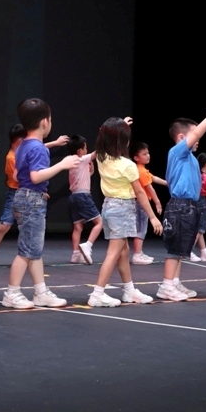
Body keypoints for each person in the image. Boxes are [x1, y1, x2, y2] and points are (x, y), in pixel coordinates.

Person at [1, 98, 80, 309]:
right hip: (31, 200)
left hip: (23, 196)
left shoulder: (23, 146)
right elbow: (35, 176)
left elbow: (18, 175)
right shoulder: (38, 149)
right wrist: (62, 164)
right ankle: (12, 293)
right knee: (27, 251)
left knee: (33, 249)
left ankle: (41, 292)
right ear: (45, 122)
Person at [87, 118, 161, 307]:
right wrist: (153, 217)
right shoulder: (127, 165)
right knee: (113, 253)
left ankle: (129, 290)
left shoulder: (101, 157)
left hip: (109, 207)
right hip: (122, 208)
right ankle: (97, 294)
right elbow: (140, 193)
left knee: (123, 251)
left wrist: (119, 124)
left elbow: (103, 132)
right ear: (122, 141)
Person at [159, 101, 206, 301]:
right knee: (174, 249)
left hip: (189, 206)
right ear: (181, 137)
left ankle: (174, 282)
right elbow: (195, 134)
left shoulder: (191, 159)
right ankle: (166, 286)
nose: (198, 140)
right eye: (195, 136)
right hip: (180, 205)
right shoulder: (177, 151)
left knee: (181, 249)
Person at [0, 126, 67, 266]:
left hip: (25, 192)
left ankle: (28, 257)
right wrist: (38, 189)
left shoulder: (22, 150)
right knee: (4, 225)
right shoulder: (12, 157)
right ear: (20, 140)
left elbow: (38, 148)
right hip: (17, 192)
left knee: (26, 228)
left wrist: (55, 143)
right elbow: (20, 177)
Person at [129, 141, 167, 265]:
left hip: (139, 203)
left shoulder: (142, 170)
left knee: (141, 227)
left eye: (148, 153)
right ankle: (137, 255)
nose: (148, 155)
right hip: (141, 204)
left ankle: (139, 252)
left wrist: (168, 183)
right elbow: (150, 188)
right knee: (141, 228)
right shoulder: (140, 171)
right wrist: (157, 202)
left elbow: (153, 178)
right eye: (144, 154)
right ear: (136, 157)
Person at [67, 134, 103, 265]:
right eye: (85, 148)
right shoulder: (82, 159)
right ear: (80, 151)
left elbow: (81, 178)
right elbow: (97, 152)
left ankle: (75, 254)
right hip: (83, 196)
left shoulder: (71, 162)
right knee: (100, 223)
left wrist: (91, 172)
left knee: (78, 227)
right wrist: (104, 135)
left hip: (73, 197)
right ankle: (88, 245)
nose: (87, 150)